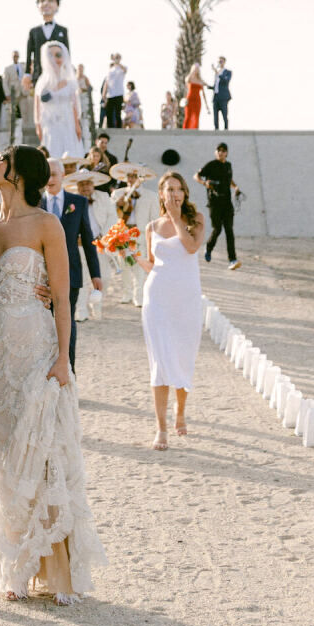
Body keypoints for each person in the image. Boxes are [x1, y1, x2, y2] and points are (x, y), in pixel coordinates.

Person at [0, 145, 106, 602]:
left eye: (1, 161)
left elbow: (61, 294)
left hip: (36, 351)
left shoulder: (46, 224)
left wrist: (61, 358)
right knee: (3, 456)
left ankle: (54, 568)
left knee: (44, 452)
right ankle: (16, 566)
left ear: (18, 174)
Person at [135, 171, 205, 451]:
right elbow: (154, 263)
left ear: (185, 193)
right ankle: (161, 427)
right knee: (160, 363)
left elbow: (190, 247)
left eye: (179, 189)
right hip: (158, 299)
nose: (175, 193)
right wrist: (132, 256)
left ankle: (180, 411)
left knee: (183, 358)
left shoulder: (196, 220)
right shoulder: (151, 226)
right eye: (169, 189)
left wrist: (177, 218)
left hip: (186, 299)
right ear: (161, 194)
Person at [41, 158, 101, 373]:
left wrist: (96, 274)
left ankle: (69, 369)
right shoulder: (35, 203)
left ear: (63, 176)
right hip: (42, 275)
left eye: (54, 174)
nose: (50, 179)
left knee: (67, 322)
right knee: (44, 324)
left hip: (71, 273)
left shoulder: (78, 202)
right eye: (46, 174)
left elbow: (87, 239)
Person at [65, 169, 115, 321]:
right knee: (81, 279)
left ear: (93, 185)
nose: (85, 187)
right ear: (77, 186)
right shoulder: (72, 201)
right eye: (82, 184)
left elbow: (113, 218)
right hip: (79, 246)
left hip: (99, 243)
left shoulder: (104, 197)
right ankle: (81, 311)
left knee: (103, 277)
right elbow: (67, 222)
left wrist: (104, 237)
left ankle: (97, 307)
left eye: (88, 183)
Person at [110, 166, 160, 307]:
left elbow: (154, 219)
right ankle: (126, 293)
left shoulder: (151, 196)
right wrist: (116, 204)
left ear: (140, 178)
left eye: (134, 176)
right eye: (129, 176)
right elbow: (109, 213)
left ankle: (138, 296)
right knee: (124, 264)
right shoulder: (117, 194)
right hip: (122, 233)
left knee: (139, 265)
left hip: (140, 233)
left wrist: (153, 238)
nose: (131, 179)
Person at [195, 142, 243, 269]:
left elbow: (229, 179)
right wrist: (205, 183)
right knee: (217, 229)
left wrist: (235, 187)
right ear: (215, 152)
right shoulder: (211, 165)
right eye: (219, 150)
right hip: (214, 203)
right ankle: (209, 248)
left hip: (227, 203)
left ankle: (232, 260)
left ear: (226, 153)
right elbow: (196, 176)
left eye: (223, 150)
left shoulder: (228, 165)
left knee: (229, 230)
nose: (221, 152)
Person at [34, 41, 82, 159]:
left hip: (67, 122)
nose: (55, 58)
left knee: (70, 152)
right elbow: (37, 106)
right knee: (52, 152)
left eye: (58, 55)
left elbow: (74, 105)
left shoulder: (70, 82)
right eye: (50, 55)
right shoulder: (42, 82)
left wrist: (77, 125)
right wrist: (38, 126)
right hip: (49, 123)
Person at [25, 0, 69, 81]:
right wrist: (27, 74)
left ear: (57, 5)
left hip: (59, 78)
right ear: (38, 5)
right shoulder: (33, 31)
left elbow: (67, 54)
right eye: (42, 0)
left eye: (51, 0)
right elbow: (29, 55)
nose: (46, 3)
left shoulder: (63, 30)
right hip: (39, 78)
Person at [182, 63, 209, 130]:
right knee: (188, 116)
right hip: (189, 99)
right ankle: (185, 132)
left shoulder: (200, 80)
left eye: (197, 69)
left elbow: (203, 94)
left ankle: (195, 132)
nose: (196, 70)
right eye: (195, 68)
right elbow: (186, 80)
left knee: (196, 117)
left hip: (197, 100)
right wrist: (192, 72)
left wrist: (206, 106)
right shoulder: (190, 78)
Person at [103, 54, 127, 129]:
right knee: (109, 113)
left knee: (118, 113)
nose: (116, 59)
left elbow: (125, 70)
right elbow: (107, 82)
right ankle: (110, 128)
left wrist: (118, 63)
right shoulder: (110, 69)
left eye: (117, 57)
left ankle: (119, 128)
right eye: (115, 58)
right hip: (110, 94)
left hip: (119, 93)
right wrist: (104, 93)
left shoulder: (122, 68)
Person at [212, 56, 232, 130]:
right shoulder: (217, 73)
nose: (220, 63)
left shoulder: (228, 72)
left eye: (221, 61)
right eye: (219, 61)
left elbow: (226, 81)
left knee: (224, 114)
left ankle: (226, 129)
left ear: (224, 62)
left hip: (223, 97)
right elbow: (216, 86)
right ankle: (216, 129)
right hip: (216, 97)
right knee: (215, 115)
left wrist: (218, 73)